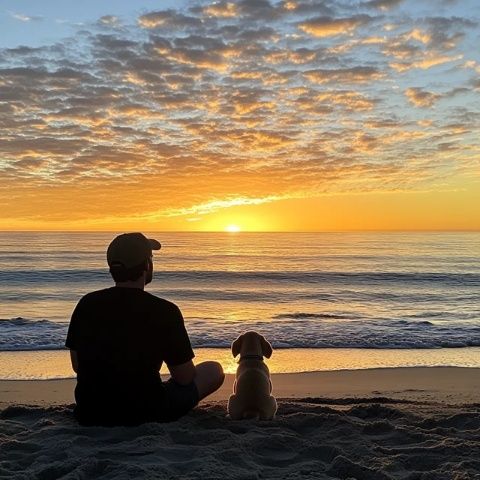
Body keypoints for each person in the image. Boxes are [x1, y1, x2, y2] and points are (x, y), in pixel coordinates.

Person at [65, 232, 224, 426]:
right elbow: (185, 377)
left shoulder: (86, 304)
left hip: (91, 412)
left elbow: (77, 366)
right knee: (214, 370)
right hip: (146, 411)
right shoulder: (165, 311)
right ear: (147, 265)